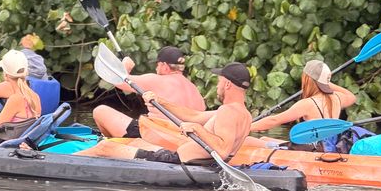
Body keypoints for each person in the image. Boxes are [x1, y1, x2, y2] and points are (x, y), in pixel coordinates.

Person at [78, 62, 253, 165]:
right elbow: (194, 116)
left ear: (228, 85)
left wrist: (197, 129)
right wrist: (161, 101)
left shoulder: (227, 111)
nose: (218, 86)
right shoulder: (243, 113)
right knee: (137, 142)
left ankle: (60, 164)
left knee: (105, 148)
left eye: (219, 82)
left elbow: (222, 150)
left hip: (178, 162)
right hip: (187, 159)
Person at [91, 46, 206, 138]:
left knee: (100, 111)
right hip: (186, 138)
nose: (156, 68)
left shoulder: (157, 80)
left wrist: (125, 65)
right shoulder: (194, 89)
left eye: (158, 65)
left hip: (158, 136)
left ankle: (112, 143)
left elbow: (119, 81)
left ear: (164, 66)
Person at [250, 59, 358, 132]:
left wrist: (247, 128)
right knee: (264, 139)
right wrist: (327, 83)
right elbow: (351, 97)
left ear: (307, 80)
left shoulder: (307, 104)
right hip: (330, 146)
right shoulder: (337, 98)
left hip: (314, 149)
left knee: (257, 140)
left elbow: (274, 120)